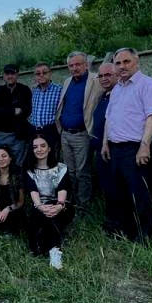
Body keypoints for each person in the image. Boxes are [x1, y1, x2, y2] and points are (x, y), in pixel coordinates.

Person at [101, 47, 152, 243]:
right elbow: (109, 118)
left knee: (141, 193)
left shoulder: (149, 85)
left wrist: (144, 146)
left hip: (138, 147)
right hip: (116, 148)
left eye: (126, 61)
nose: (122, 66)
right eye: (118, 63)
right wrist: (105, 143)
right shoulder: (117, 88)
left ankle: (144, 236)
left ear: (137, 61)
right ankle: (124, 231)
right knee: (119, 192)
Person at [55, 51, 103, 210]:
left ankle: (83, 206)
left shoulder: (96, 80)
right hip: (65, 134)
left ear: (86, 64)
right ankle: (73, 203)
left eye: (77, 64)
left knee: (82, 172)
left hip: (82, 134)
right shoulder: (67, 81)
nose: (74, 68)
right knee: (70, 171)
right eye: (71, 65)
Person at [24, 134, 73, 269]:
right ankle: (47, 247)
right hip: (39, 205)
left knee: (53, 216)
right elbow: (32, 191)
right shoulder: (29, 170)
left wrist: (58, 206)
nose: (39, 149)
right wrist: (40, 206)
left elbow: (62, 189)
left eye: (43, 145)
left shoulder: (61, 167)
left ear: (49, 148)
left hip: (61, 205)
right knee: (37, 246)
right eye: (35, 147)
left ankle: (55, 251)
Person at [0, 63, 33, 166]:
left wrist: (3, 112)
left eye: (13, 73)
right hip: (1, 134)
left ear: (17, 75)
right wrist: (13, 111)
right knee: (1, 163)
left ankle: (17, 182)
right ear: (3, 76)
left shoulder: (25, 90)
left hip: (19, 135)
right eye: (7, 73)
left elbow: (27, 110)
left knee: (18, 164)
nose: (10, 76)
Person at [89, 63, 119, 202]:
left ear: (117, 75)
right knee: (106, 182)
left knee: (115, 184)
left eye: (107, 75)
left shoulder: (119, 94)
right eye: (100, 76)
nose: (104, 79)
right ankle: (110, 217)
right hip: (101, 148)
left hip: (114, 149)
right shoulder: (103, 95)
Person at [28, 62, 62, 160]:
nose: (41, 75)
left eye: (44, 72)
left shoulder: (59, 89)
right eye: (38, 73)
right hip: (34, 130)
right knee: (35, 158)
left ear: (50, 73)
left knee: (52, 157)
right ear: (35, 76)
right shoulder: (33, 90)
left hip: (50, 130)